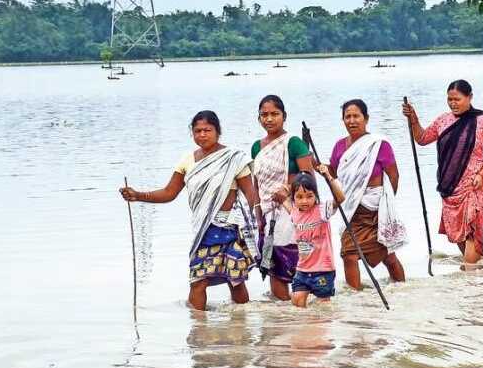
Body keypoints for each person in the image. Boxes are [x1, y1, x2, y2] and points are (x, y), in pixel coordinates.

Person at [120, 110, 262, 311]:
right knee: (198, 280)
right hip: (203, 231)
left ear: (218, 131)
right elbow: (169, 192)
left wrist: (258, 223)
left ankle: (242, 324)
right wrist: (138, 195)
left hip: (230, 228)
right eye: (198, 131)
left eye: (207, 130)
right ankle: (198, 328)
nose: (202, 135)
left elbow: (251, 194)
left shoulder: (234, 158)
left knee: (235, 280)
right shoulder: (187, 161)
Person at [402, 80, 483, 267]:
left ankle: (469, 274)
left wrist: (482, 174)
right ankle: (474, 269)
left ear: (469, 97)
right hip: (450, 187)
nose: (453, 103)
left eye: (457, 99)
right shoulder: (443, 120)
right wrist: (413, 119)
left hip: (474, 185)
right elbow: (422, 139)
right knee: (458, 235)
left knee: (472, 232)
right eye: (450, 99)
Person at [325, 99, 407, 290]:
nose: (352, 121)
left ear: (366, 118)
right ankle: (356, 297)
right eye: (347, 117)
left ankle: (402, 289)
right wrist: (317, 165)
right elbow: (335, 173)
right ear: (343, 120)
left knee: (388, 255)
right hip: (351, 207)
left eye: (356, 116)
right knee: (349, 254)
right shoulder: (339, 146)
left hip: (375, 208)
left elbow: (393, 175)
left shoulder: (379, 144)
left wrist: (386, 204)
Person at [250, 94, 314, 302]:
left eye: (274, 114)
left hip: (291, 211)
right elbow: (256, 184)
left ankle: (302, 314)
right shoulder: (257, 147)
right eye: (264, 115)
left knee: (296, 261)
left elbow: (308, 177)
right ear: (259, 118)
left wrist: (287, 189)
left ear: (284, 116)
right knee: (273, 264)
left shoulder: (293, 143)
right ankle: (283, 314)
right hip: (268, 214)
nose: (269, 119)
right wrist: (258, 215)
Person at [276, 173, 337, 308]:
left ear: (316, 195)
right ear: (294, 199)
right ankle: (305, 328)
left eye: (309, 196)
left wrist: (328, 177)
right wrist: (283, 190)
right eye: (299, 197)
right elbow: (281, 197)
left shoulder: (322, 211)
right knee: (297, 301)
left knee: (323, 307)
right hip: (302, 269)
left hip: (323, 269)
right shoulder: (294, 212)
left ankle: (320, 327)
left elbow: (340, 198)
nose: (304, 201)